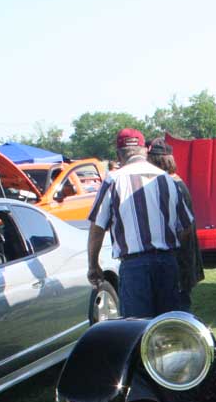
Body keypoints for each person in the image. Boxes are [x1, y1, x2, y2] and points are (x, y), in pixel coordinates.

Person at [86, 128, 193, 318]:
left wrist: (93, 265)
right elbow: (187, 227)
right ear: (145, 150)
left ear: (119, 154)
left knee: (137, 328)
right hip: (167, 263)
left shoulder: (113, 180)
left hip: (134, 267)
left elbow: (97, 228)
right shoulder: (167, 179)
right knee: (169, 326)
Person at [147, 137, 204, 313]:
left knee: (180, 308)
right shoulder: (172, 182)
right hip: (181, 256)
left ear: (156, 160)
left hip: (180, 258)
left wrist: (169, 247)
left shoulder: (173, 184)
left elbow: (185, 228)